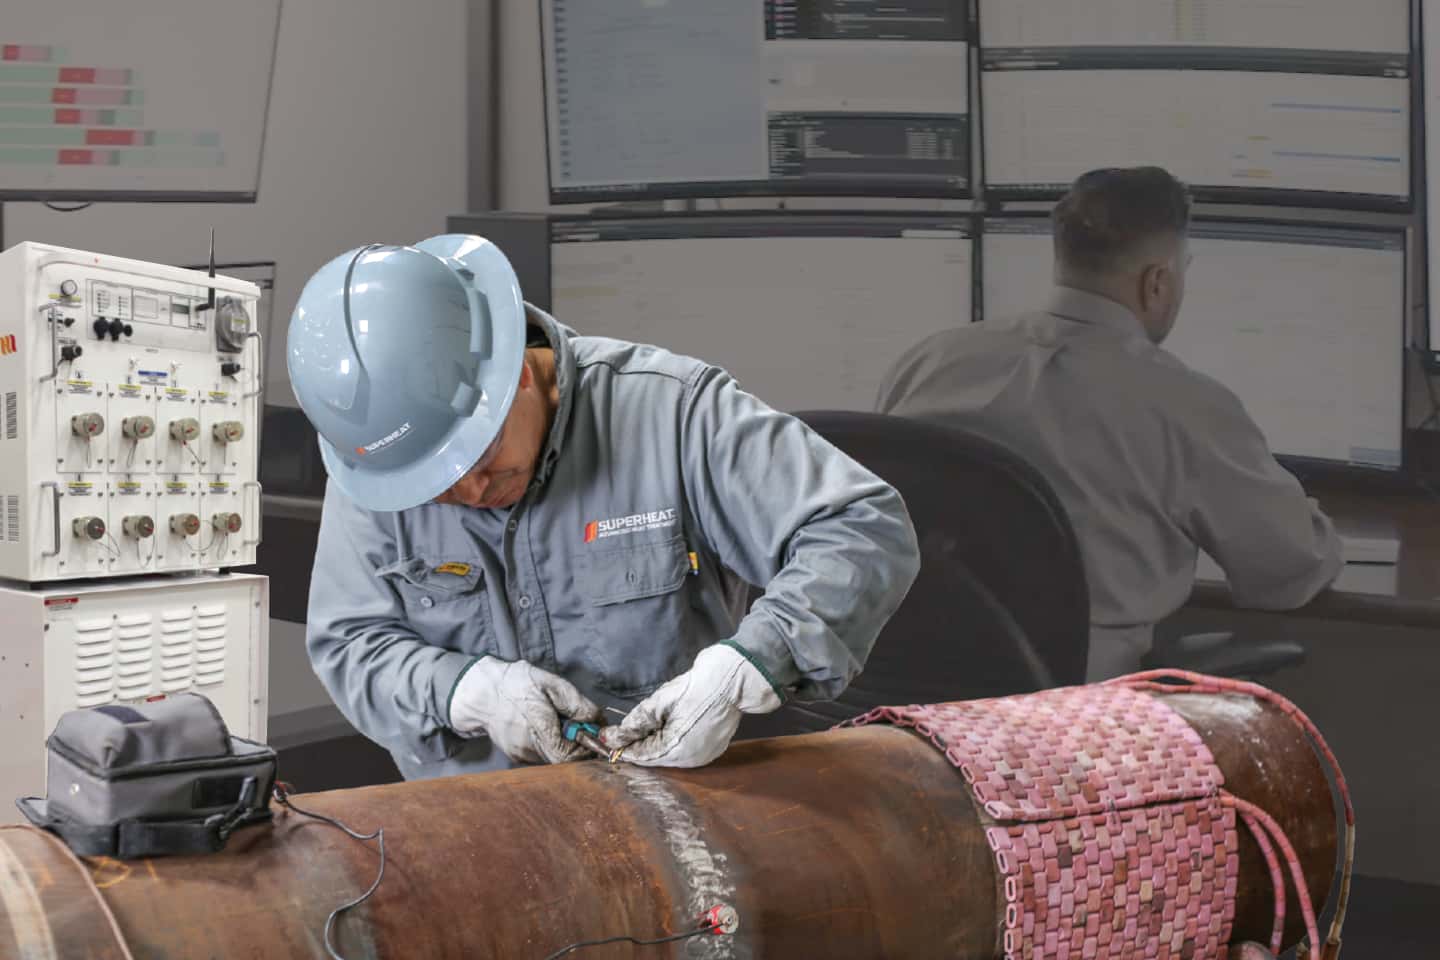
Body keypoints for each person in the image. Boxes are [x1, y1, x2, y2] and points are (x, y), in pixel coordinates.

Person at [287, 235, 920, 779]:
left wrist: (747, 666)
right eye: (437, 487)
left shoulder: (672, 414)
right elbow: (352, 643)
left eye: (477, 460)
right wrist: (465, 692)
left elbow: (859, 529)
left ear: (518, 374)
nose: (470, 492)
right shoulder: (384, 464)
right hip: (472, 831)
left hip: (681, 815)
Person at [876, 166, 1341, 680]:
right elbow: (1286, 574)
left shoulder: (929, 361)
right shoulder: (1184, 401)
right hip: (1080, 721)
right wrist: (1306, 516)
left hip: (919, 704)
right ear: (1157, 281)